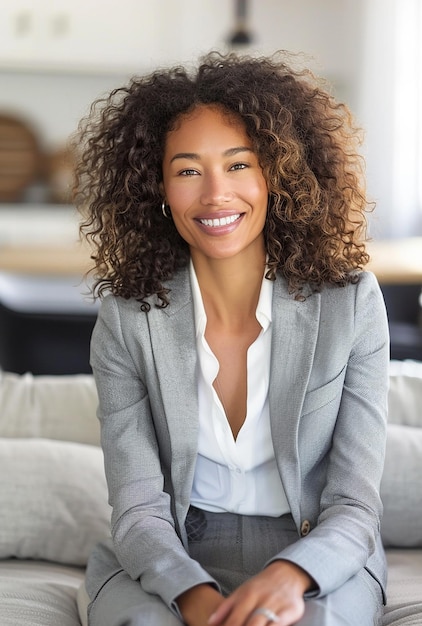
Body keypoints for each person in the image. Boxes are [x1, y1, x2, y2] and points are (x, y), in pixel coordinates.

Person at [73, 50, 390, 626]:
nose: (216, 193)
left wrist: (290, 576)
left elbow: (354, 504)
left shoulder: (351, 302)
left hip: (313, 550)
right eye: (188, 170)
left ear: (278, 174)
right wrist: (195, 600)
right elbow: (140, 508)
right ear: (159, 190)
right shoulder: (127, 319)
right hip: (174, 551)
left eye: (239, 164)